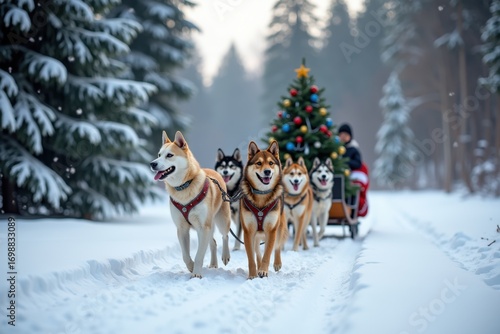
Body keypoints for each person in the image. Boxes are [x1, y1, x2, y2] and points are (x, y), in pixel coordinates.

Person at [338, 123, 369, 217]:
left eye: (346, 136)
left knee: (350, 191)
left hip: (349, 177)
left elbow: (358, 163)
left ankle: (350, 210)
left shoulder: (353, 149)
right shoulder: (335, 149)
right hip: (337, 175)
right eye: (341, 135)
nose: (343, 138)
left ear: (350, 137)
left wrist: (345, 163)